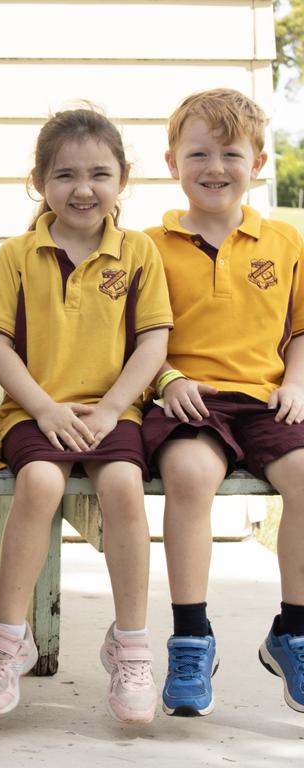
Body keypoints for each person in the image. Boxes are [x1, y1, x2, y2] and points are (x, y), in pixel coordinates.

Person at [0, 108, 172, 724]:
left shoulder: (138, 252)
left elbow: (153, 341)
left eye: (99, 174)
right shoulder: (16, 255)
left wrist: (113, 409)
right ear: (39, 181)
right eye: (65, 175)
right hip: (36, 409)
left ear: (123, 179)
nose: (83, 189)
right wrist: (44, 406)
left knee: (123, 487)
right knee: (38, 483)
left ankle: (130, 643)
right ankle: (8, 642)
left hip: (116, 413)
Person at [142, 88, 304, 717]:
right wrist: (169, 379)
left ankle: (292, 631)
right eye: (198, 153)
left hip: (267, 398)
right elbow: (137, 337)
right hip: (190, 400)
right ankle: (191, 635)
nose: (215, 167)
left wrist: (296, 385)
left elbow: (298, 331)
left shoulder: (285, 242)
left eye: (231, 153)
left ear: (259, 162)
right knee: (187, 476)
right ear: (171, 162)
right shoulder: (148, 246)